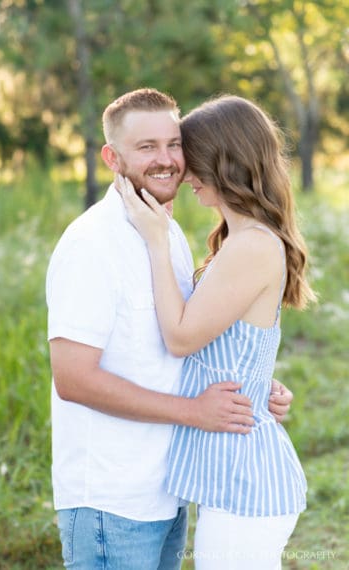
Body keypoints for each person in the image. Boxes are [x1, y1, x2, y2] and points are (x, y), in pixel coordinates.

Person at [45, 88, 293, 569]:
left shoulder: (168, 232)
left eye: (174, 144)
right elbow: (72, 379)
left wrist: (252, 385)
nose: (168, 161)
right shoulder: (92, 244)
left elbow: (192, 342)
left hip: (171, 489)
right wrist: (194, 411)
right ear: (112, 157)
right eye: (146, 148)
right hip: (112, 500)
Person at [118, 95, 314, 569]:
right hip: (233, 474)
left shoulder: (252, 245)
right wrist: (257, 382)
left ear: (223, 163)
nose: (184, 175)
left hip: (247, 481)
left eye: (193, 159)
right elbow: (238, 339)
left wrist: (157, 241)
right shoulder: (242, 239)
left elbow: (183, 337)